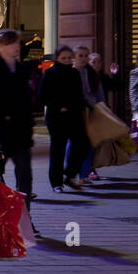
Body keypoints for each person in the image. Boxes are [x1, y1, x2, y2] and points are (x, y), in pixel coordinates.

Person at [0, 28, 37, 214]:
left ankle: (24, 219)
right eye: (11, 43)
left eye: (17, 42)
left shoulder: (24, 69)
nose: (17, 46)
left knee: (25, 177)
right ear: (0, 47)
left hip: (21, 131)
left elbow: (27, 100)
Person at [39, 45, 87, 191]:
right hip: (56, 118)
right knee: (57, 150)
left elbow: (79, 94)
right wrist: (58, 107)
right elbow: (43, 96)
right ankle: (56, 182)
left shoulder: (74, 73)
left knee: (81, 144)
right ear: (57, 58)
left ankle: (70, 174)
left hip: (74, 116)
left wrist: (80, 106)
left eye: (68, 58)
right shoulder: (50, 73)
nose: (66, 61)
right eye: (63, 58)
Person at [73, 47, 105, 184]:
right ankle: (72, 173)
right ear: (75, 57)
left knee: (90, 144)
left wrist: (102, 109)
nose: (84, 58)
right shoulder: (71, 73)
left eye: (86, 55)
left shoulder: (92, 73)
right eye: (80, 55)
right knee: (74, 145)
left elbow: (99, 93)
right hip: (75, 112)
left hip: (91, 111)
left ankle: (84, 175)